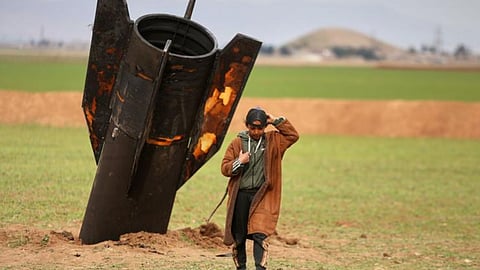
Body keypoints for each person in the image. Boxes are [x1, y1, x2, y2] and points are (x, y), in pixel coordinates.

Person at [221, 107, 299, 270]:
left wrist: (276, 121)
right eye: (252, 128)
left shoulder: (274, 141)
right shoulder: (237, 143)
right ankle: (241, 267)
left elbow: (293, 136)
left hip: (263, 195)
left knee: (260, 234)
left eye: (260, 127)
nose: (256, 131)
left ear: (265, 127)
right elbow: (225, 168)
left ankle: (260, 267)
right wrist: (239, 162)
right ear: (247, 126)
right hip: (240, 195)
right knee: (239, 236)